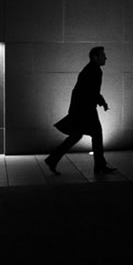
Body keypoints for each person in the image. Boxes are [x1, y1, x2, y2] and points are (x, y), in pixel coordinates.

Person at [44, 46, 116, 175]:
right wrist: (102, 102)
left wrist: (101, 102)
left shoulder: (90, 69)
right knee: (96, 135)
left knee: (77, 135)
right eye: (103, 55)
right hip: (86, 110)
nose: (105, 57)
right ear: (95, 57)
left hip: (81, 109)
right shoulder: (94, 70)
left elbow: (87, 91)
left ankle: (53, 159)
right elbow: (92, 91)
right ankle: (99, 165)